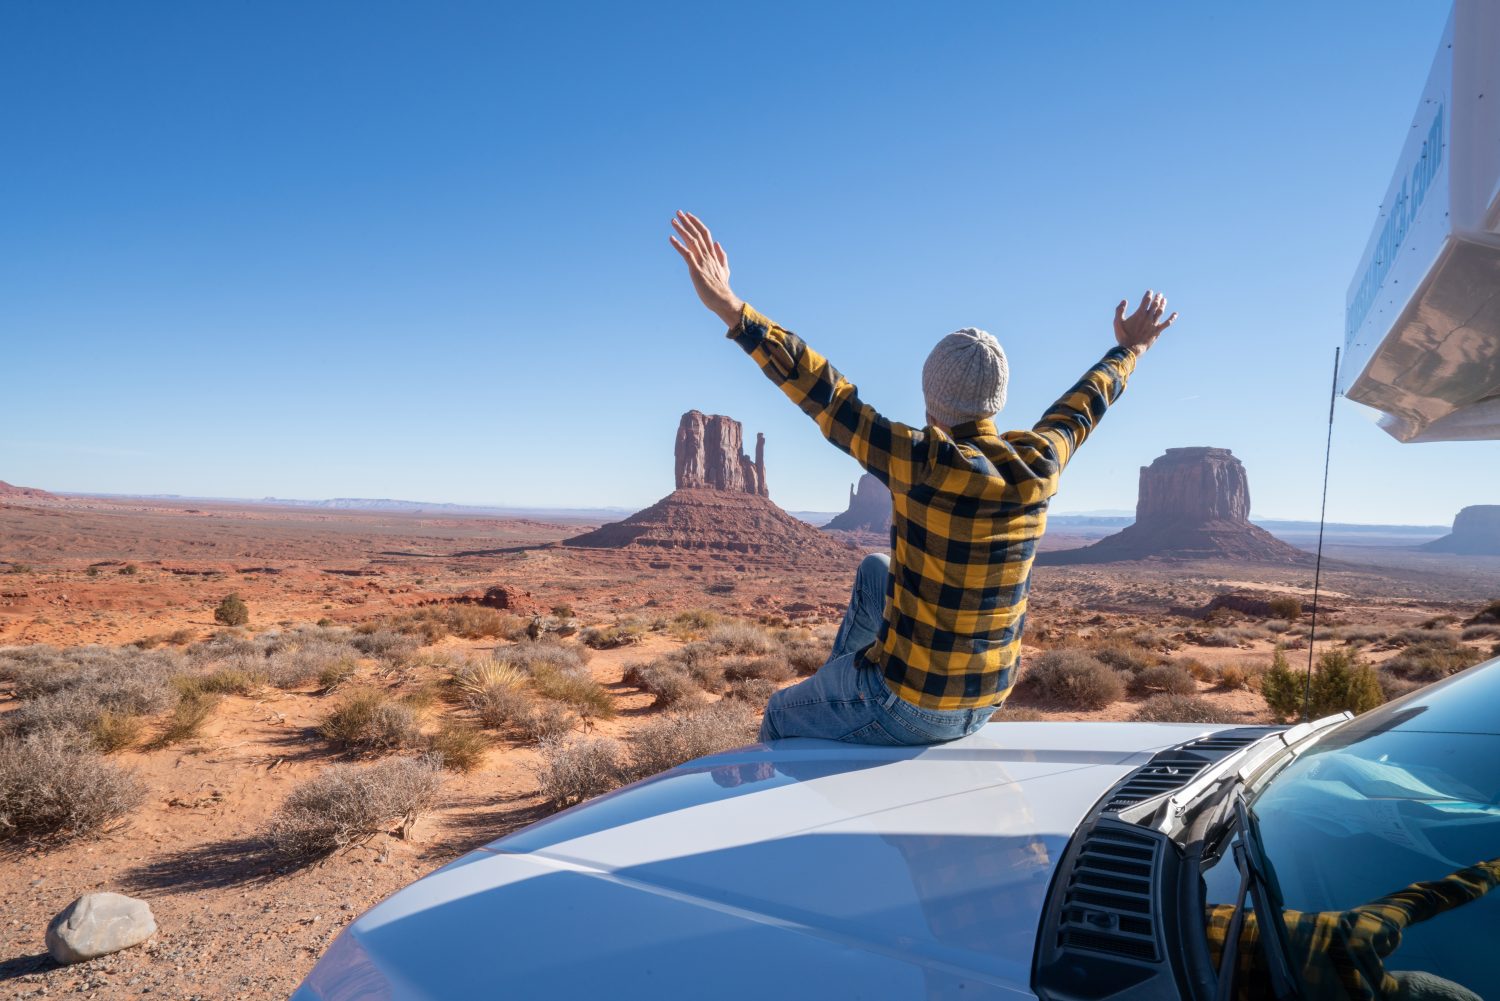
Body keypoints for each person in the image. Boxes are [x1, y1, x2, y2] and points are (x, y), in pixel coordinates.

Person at [669, 210, 1177, 745]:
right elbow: (1086, 402)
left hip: (909, 704)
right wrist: (1131, 349)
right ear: (997, 402)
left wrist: (730, 308)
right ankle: (840, 686)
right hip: (988, 697)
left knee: (780, 714)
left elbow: (826, 393)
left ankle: (835, 741)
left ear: (931, 401)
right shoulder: (1040, 460)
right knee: (876, 570)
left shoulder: (921, 460)